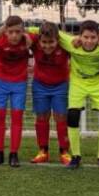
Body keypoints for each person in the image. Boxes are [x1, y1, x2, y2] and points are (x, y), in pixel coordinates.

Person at [57, 21, 99, 169]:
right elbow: (46, 28)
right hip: (78, 82)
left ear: (98, 37)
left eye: (93, 37)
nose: (89, 41)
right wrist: (25, 32)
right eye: (86, 37)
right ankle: (76, 157)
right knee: (72, 115)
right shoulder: (70, 42)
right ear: (80, 36)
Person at [0, 16, 32, 168]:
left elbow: (45, 33)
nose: (14, 35)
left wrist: (28, 35)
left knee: (17, 118)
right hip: (1, 82)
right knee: (0, 117)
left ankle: (13, 154)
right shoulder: (0, 39)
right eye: (10, 32)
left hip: (19, 84)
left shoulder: (27, 39)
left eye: (18, 32)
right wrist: (1, 30)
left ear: (22, 31)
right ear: (6, 31)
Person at [29, 22, 72, 165]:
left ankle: (64, 152)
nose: (47, 46)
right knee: (42, 116)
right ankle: (43, 151)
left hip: (60, 86)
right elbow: (20, 30)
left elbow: (77, 44)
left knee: (61, 117)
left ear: (58, 40)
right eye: (44, 42)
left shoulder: (65, 46)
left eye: (51, 42)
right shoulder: (34, 43)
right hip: (40, 85)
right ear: (39, 40)